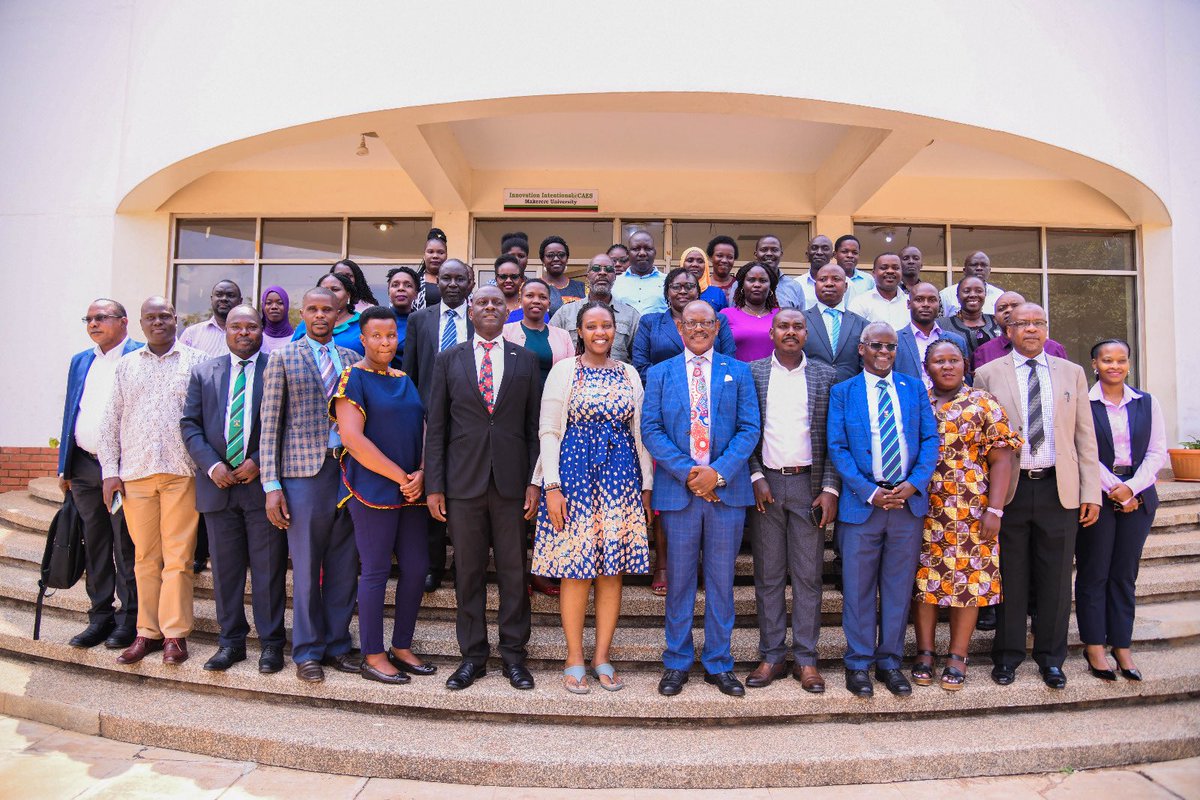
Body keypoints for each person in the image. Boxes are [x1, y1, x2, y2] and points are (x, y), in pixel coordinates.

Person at [974, 303, 1101, 689]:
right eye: (1022, 324)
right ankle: (1008, 656)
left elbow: (1084, 436)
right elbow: (979, 441)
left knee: (1057, 578)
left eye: (1038, 323)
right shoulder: (987, 374)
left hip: (1058, 488)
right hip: (1009, 490)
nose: (1031, 329)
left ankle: (1051, 659)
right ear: (1008, 331)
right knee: (1010, 576)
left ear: (1047, 328)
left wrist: (1090, 490)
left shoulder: (1072, 373)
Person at [425, 286, 543, 692]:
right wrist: (435, 486)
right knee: (468, 574)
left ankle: (514, 656)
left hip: (512, 485)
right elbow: (437, 428)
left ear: (505, 311)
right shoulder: (447, 360)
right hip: (462, 484)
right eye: (483, 303)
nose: (490, 307)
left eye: (497, 302)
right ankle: (472, 657)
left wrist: (534, 482)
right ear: (470, 311)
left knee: (514, 573)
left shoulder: (525, 360)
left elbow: (533, 430)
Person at [532, 302, 654, 693]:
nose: (600, 332)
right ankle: (574, 657)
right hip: (574, 477)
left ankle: (602, 656)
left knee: (610, 571)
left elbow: (640, 432)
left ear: (615, 330)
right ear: (579, 332)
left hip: (620, 478)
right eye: (591, 326)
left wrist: (647, 484)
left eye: (606, 325)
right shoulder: (564, 370)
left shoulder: (629, 373)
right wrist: (552, 486)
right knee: (575, 569)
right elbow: (549, 430)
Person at [642, 301, 761, 698]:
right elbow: (652, 430)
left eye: (706, 323)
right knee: (678, 583)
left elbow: (749, 428)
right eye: (691, 323)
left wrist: (718, 473)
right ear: (680, 327)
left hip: (726, 494)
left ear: (716, 327)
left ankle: (718, 663)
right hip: (679, 492)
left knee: (721, 583)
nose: (698, 329)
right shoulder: (659, 373)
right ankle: (676, 662)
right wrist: (690, 473)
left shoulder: (738, 371)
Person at [826, 322, 939, 698]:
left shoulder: (913, 388)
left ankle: (890, 661)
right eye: (876, 345)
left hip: (906, 505)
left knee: (896, 588)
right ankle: (858, 663)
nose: (884, 352)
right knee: (858, 589)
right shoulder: (843, 392)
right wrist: (869, 491)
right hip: (864, 506)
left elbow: (928, 439)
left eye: (890, 347)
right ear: (861, 348)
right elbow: (837, 447)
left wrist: (915, 483)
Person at [98, 297, 208, 666]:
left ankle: (175, 634)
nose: (158, 322)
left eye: (164, 316)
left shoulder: (197, 362)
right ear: (141, 324)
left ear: (176, 319)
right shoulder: (127, 366)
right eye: (151, 317)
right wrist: (109, 471)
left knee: (178, 558)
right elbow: (110, 420)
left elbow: (207, 419)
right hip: (135, 476)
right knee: (144, 558)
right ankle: (147, 632)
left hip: (182, 473)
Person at [259, 287, 361, 683]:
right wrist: (271, 484)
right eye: (313, 309)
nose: (320, 315)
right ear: (303, 313)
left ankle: (337, 644)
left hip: (348, 473)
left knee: (343, 565)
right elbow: (271, 426)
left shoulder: (352, 359)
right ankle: (306, 650)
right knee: (305, 565)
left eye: (328, 310)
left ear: (339, 314)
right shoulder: (283, 357)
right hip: (303, 475)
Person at [180, 305, 288, 674]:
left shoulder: (278, 367)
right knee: (225, 573)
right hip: (217, 487)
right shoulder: (203, 372)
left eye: (252, 326)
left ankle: (271, 644)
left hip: (261, 486)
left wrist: (259, 459)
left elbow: (287, 423)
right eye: (236, 326)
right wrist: (212, 466)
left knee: (268, 570)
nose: (244, 332)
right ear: (225, 330)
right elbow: (190, 425)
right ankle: (231, 643)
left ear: (262, 330)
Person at [332, 306, 435, 685]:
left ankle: (402, 645)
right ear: (363, 338)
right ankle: (373, 654)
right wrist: (400, 475)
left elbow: (422, 427)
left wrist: (422, 472)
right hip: (374, 488)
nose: (385, 342)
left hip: (412, 490)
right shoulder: (352, 378)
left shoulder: (404, 378)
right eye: (376, 335)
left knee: (416, 568)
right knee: (375, 571)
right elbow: (352, 439)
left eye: (391, 335)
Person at [911, 339, 1020, 691]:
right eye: (938, 361)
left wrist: (995, 509)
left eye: (953, 360)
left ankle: (958, 655)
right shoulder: (917, 401)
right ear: (927, 367)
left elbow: (1002, 458)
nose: (947, 366)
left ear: (965, 364)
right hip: (922, 506)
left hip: (972, 509)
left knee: (969, 582)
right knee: (925, 581)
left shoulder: (983, 402)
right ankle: (925, 651)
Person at [744, 309, 839, 693]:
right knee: (768, 576)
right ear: (771, 332)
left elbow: (836, 437)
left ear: (806, 334)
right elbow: (745, 430)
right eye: (783, 325)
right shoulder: (753, 373)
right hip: (765, 485)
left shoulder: (826, 376)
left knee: (807, 576)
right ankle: (771, 655)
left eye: (798, 326)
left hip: (808, 486)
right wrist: (754, 476)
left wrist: (830, 488)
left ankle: (806, 659)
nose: (790, 332)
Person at [632, 266, 737, 596]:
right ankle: (665, 564)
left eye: (690, 286)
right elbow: (641, 364)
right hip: (667, 410)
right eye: (676, 286)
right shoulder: (651, 323)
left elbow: (729, 361)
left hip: (712, 411)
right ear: (667, 293)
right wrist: (673, 386)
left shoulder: (716, 323)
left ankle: (704, 565)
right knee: (669, 498)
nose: (683, 291)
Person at [1076, 339, 1167, 682]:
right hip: (1097, 495)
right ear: (1094, 364)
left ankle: (1122, 645)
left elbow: (1157, 452)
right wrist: (1114, 487)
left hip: (1139, 495)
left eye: (1121, 360)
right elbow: (1082, 449)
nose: (1114, 365)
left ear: (1129, 364)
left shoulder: (1147, 402)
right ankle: (1095, 646)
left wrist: (1132, 487)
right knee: (1094, 572)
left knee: (1124, 575)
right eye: (1107, 360)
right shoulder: (1084, 403)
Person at [58, 299, 142, 650]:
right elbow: (71, 409)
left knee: (125, 544)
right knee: (94, 543)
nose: (93, 324)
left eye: (101, 318)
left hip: (122, 468)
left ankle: (129, 620)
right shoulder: (82, 360)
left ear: (123, 322)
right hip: (84, 466)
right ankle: (99, 617)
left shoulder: (139, 355)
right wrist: (65, 463)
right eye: (88, 318)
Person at [402, 258, 475, 591]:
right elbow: (413, 373)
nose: (453, 284)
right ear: (437, 283)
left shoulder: (480, 319)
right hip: (430, 419)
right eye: (446, 278)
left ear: (470, 282)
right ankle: (433, 564)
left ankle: (463, 563)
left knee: (467, 493)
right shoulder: (420, 320)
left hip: (470, 420)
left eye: (460, 278)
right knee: (433, 487)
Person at [550, 253, 641, 364]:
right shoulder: (566, 312)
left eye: (608, 269)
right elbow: (550, 349)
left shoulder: (631, 315)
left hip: (617, 378)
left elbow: (639, 359)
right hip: (574, 378)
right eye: (596, 268)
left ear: (615, 276)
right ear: (587, 276)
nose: (602, 273)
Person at [802, 264, 868, 382]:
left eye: (836, 279)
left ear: (846, 286)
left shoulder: (863, 324)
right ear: (815, 286)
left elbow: (866, 366)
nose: (829, 283)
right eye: (823, 279)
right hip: (811, 392)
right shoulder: (800, 321)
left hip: (848, 394)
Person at [894, 282, 968, 388]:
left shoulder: (957, 341)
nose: (926, 304)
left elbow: (964, 380)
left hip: (949, 402)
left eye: (932, 300)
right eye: (919, 299)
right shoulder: (895, 341)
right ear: (908, 304)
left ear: (939, 304)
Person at [503, 277, 574, 387]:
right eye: (529, 296)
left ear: (549, 304)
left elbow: (571, 372)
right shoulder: (505, 332)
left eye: (543, 297)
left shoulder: (563, 336)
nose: (536, 301)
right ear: (520, 301)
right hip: (516, 400)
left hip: (553, 399)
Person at [971, 291, 1069, 369]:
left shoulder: (1054, 349)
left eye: (1015, 306)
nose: (1009, 310)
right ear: (995, 320)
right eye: (1002, 308)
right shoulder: (984, 352)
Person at [936, 276, 1002, 366]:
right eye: (966, 291)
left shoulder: (997, 322)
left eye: (979, 291)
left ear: (985, 295)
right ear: (957, 297)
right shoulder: (942, 324)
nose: (973, 295)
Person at [292, 272, 364, 355]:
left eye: (335, 289)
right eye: (324, 290)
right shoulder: (305, 324)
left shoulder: (363, 324)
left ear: (348, 295)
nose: (329, 294)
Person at [720, 262, 779, 362]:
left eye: (763, 280)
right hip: (738, 376)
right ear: (742, 285)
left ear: (770, 287)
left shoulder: (781, 315)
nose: (757, 285)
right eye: (751, 280)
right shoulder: (726, 315)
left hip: (773, 376)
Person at [180, 280, 242, 357]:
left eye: (230, 295)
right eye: (219, 295)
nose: (224, 299)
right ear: (211, 299)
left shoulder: (249, 334)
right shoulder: (191, 334)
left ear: (240, 301)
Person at [611, 230, 667, 315]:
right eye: (636, 249)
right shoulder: (614, 282)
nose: (642, 253)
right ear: (628, 254)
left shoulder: (668, 282)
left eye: (647, 248)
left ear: (655, 253)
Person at [849, 253, 911, 330]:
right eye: (884, 267)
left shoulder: (910, 302)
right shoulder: (860, 303)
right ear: (874, 273)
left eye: (895, 268)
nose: (890, 271)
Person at [940, 251, 1005, 316]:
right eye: (974, 265)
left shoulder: (999, 295)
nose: (979, 268)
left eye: (984, 265)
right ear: (964, 270)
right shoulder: (946, 294)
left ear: (989, 271)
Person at [753, 234, 806, 309]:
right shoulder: (741, 285)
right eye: (764, 250)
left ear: (781, 254)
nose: (769, 253)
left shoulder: (794, 286)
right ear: (756, 254)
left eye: (774, 250)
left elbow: (801, 318)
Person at [540, 235, 586, 316]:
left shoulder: (582, 288)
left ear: (567, 259)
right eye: (550, 255)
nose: (556, 259)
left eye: (561, 255)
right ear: (543, 260)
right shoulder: (532, 287)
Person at [385, 266, 420, 367]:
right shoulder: (378, 320)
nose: (401, 288)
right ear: (388, 292)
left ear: (416, 294)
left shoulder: (423, 322)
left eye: (408, 285)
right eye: (395, 285)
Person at [679, 246, 728, 311]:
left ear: (706, 266)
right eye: (690, 260)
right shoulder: (674, 291)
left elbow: (723, 319)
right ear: (682, 263)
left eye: (700, 261)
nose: (695, 264)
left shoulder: (717, 294)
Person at [412, 227, 447, 311]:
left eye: (440, 252)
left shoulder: (454, 281)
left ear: (446, 255)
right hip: (420, 323)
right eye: (430, 252)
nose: (435, 256)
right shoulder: (414, 281)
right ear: (424, 255)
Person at [833, 234, 875, 303]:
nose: (850, 256)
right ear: (835, 254)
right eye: (845, 252)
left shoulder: (868, 280)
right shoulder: (828, 279)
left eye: (854, 253)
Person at [800, 234, 834, 308]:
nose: (819, 252)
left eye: (825, 248)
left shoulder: (844, 283)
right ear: (807, 254)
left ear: (832, 255)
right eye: (814, 248)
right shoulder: (797, 284)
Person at [259, 285, 295, 355]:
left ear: (286, 306)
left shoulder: (297, 339)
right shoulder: (257, 338)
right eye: (269, 303)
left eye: (280, 303)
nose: (274, 307)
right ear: (263, 306)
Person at [706, 235, 739, 306]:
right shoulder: (702, 285)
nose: (724, 260)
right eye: (719, 256)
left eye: (730, 257)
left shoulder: (740, 286)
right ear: (711, 258)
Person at [495, 254, 526, 322]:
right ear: (496, 279)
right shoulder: (489, 307)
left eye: (514, 277)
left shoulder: (531, 307)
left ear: (522, 279)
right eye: (503, 276)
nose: (508, 280)